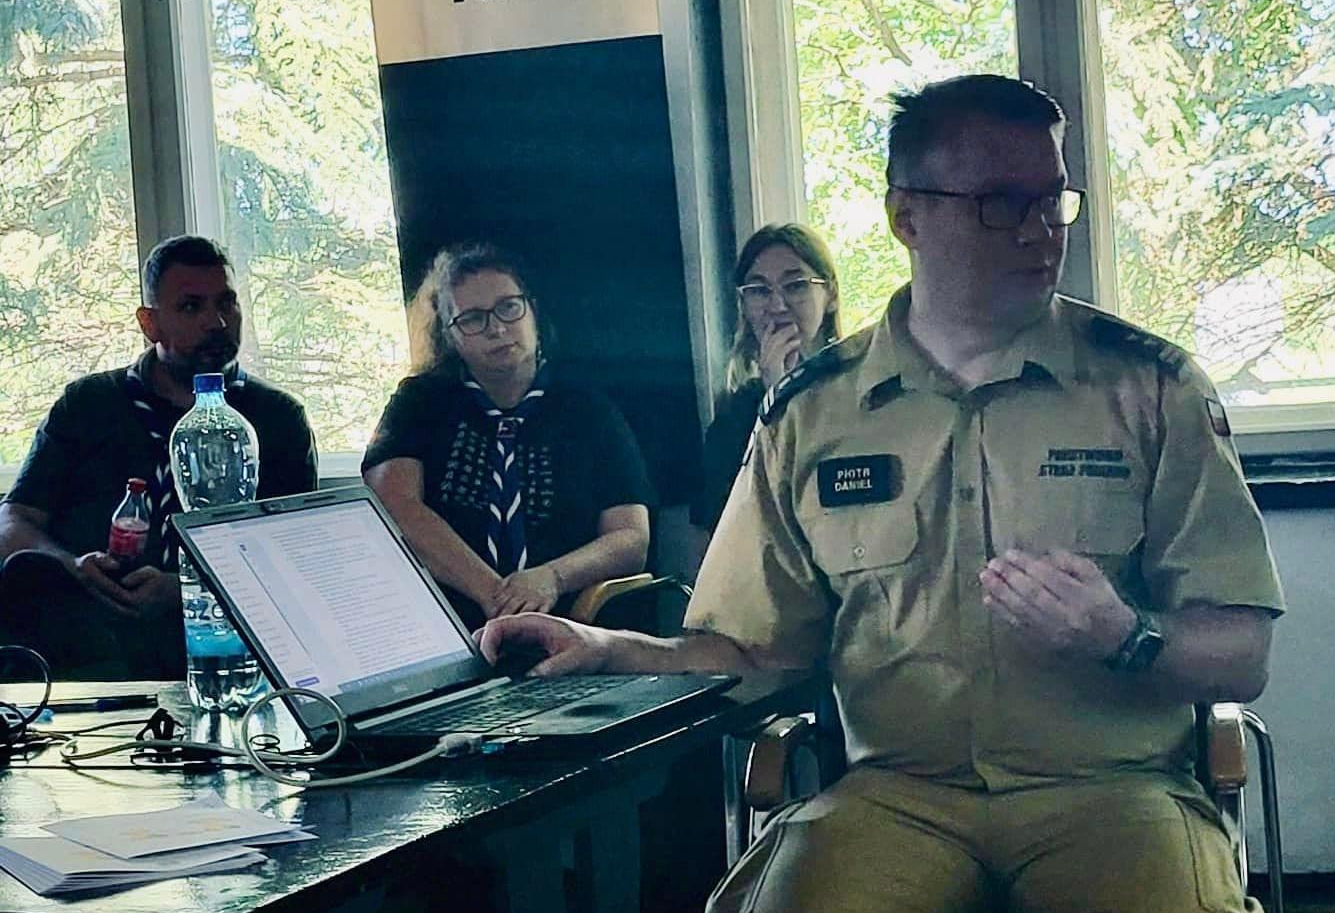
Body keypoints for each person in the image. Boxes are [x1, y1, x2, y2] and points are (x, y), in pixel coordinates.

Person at [474, 75, 1285, 913]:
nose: (1041, 227)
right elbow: (755, 652)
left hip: (1114, 787)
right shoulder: (814, 409)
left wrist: (1122, 634)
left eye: (1053, 198)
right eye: (1002, 201)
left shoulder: (1148, 387)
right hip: (899, 790)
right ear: (908, 213)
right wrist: (613, 648)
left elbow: (1241, 648)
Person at [0, 236, 319, 679]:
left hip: (223, 643)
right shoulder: (88, 404)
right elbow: (14, 521)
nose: (217, 322)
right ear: (149, 324)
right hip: (87, 640)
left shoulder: (276, 418)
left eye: (227, 302)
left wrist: (184, 590)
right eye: (191, 307)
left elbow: (297, 556)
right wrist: (75, 567)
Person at [362, 242, 653, 630]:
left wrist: (551, 578)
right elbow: (392, 504)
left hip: (572, 624)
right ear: (450, 335)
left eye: (508, 307)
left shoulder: (589, 410)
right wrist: (496, 597)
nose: (497, 329)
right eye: (472, 319)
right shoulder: (419, 402)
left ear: (533, 311)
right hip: (448, 626)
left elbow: (631, 539)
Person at [692, 223, 840, 534]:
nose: (777, 306)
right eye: (759, 291)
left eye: (795, 286)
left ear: (830, 294)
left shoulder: (860, 388)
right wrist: (775, 400)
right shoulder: (736, 414)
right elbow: (724, 528)